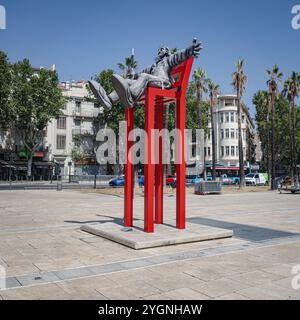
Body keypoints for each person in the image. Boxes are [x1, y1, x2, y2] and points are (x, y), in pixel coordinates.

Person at [89, 39, 202, 108]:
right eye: (159, 50)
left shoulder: (168, 60)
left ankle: (130, 97)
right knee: (128, 81)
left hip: (164, 84)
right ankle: (109, 100)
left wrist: (189, 51)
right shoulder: (153, 66)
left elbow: (179, 56)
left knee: (145, 77)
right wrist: (132, 75)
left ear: (167, 52)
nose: (160, 51)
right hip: (152, 82)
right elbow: (140, 74)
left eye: (162, 49)